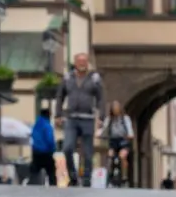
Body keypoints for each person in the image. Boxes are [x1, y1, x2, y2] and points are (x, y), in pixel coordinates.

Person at [54, 52, 103, 187]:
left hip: (88, 118)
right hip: (71, 118)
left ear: (87, 63)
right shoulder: (67, 77)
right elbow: (60, 96)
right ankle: (73, 176)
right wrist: (58, 114)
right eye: (80, 62)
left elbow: (101, 98)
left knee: (87, 153)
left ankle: (87, 179)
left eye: (84, 62)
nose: (82, 64)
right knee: (67, 148)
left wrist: (101, 118)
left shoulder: (94, 78)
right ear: (75, 63)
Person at [103, 100, 132, 186]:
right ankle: (110, 175)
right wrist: (99, 133)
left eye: (117, 107)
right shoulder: (109, 119)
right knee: (110, 156)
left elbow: (129, 129)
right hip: (113, 141)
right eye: (113, 108)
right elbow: (104, 128)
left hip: (123, 141)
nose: (115, 109)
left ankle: (124, 176)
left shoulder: (125, 118)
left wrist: (130, 135)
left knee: (122, 156)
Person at [31, 106, 58, 187]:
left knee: (34, 172)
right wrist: (53, 149)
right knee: (51, 172)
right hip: (46, 153)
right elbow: (50, 139)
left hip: (36, 152)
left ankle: (31, 186)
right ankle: (53, 188)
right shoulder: (47, 125)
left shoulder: (36, 125)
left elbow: (33, 136)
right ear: (48, 115)